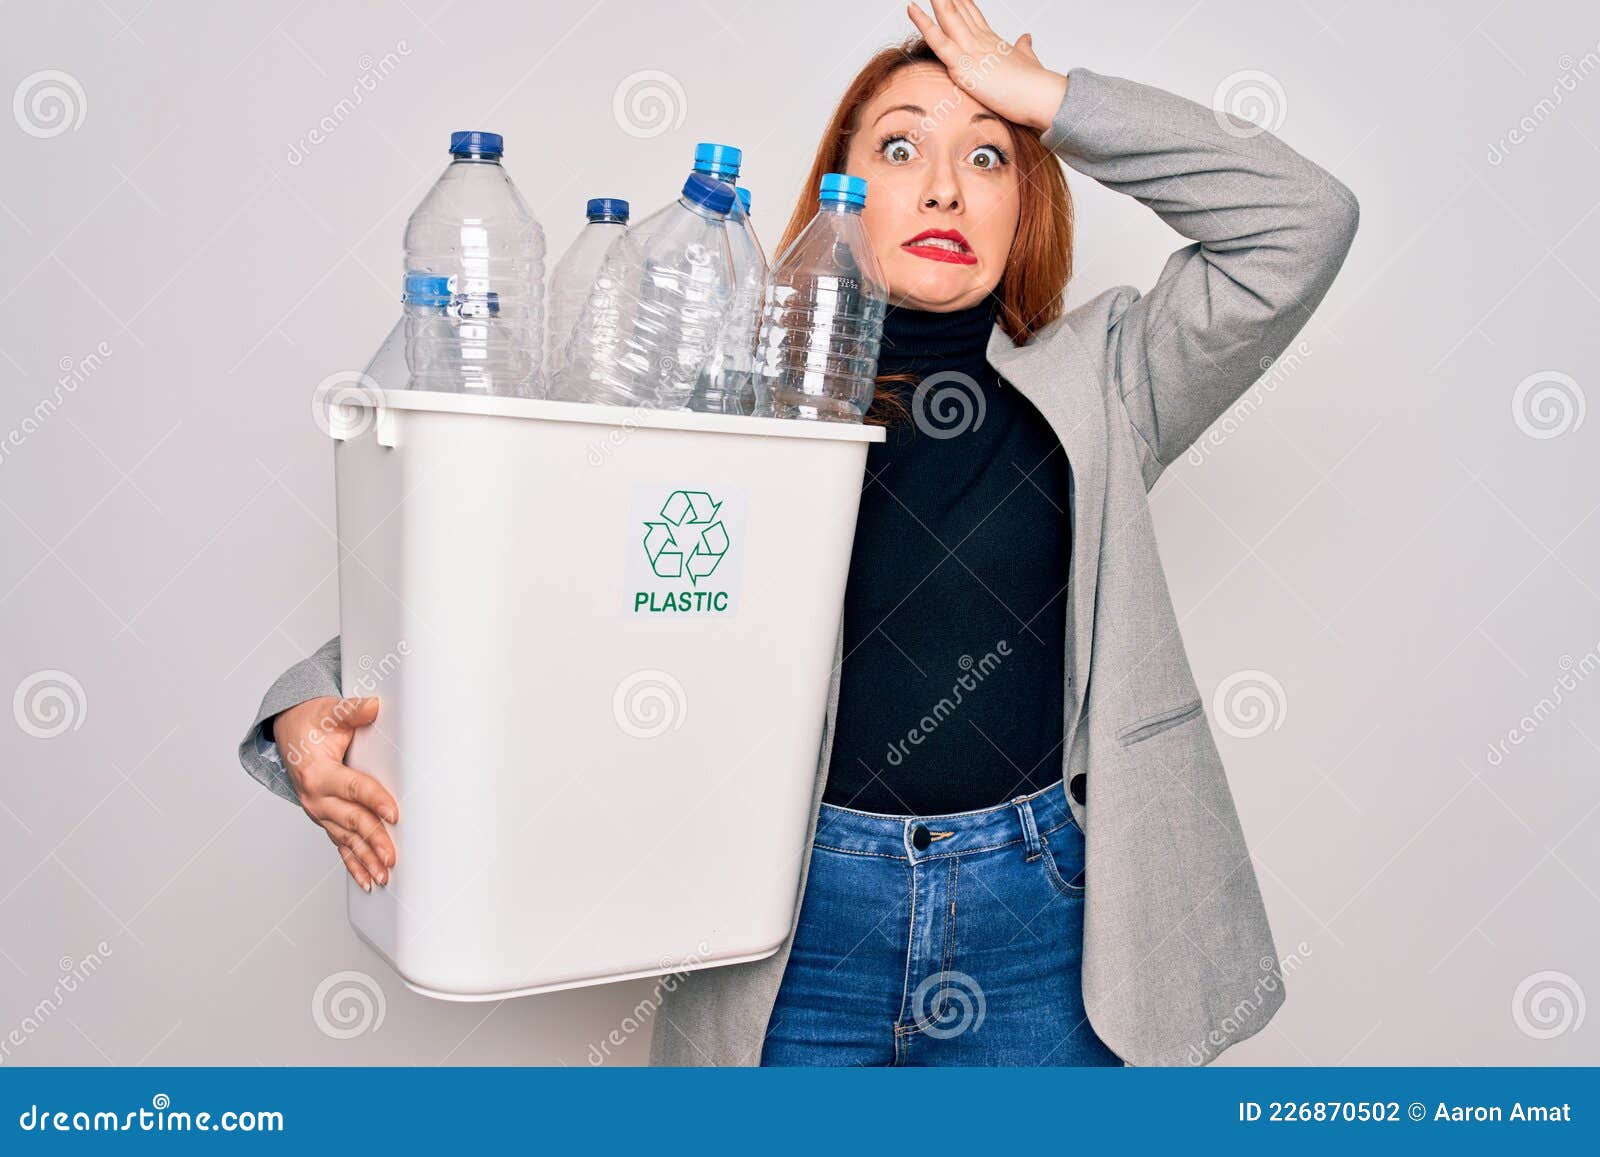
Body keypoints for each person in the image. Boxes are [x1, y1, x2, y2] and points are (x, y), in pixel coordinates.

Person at [237, 0, 1358, 1067]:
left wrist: (1051, 97)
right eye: (901, 148)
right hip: (789, 915)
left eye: (986, 157)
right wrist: (308, 700)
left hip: (1045, 921)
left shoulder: (1113, 377)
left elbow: (1302, 222)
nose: (944, 190)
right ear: (840, 189)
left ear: (1027, 204)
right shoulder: (729, 393)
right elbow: (522, 561)